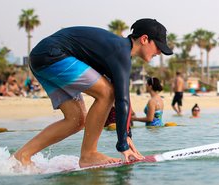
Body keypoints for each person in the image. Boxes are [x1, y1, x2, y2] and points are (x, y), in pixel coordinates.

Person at [12, 18, 173, 168]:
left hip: (40, 59)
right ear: (144, 39)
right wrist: (122, 144)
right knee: (107, 93)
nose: (159, 52)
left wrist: (127, 135)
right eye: (158, 46)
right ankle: (88, 154)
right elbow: (120, 98)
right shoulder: (121, 51)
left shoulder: (118, 51)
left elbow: (123, 98)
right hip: (53, 55)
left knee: (76, 120)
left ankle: (22, 156)